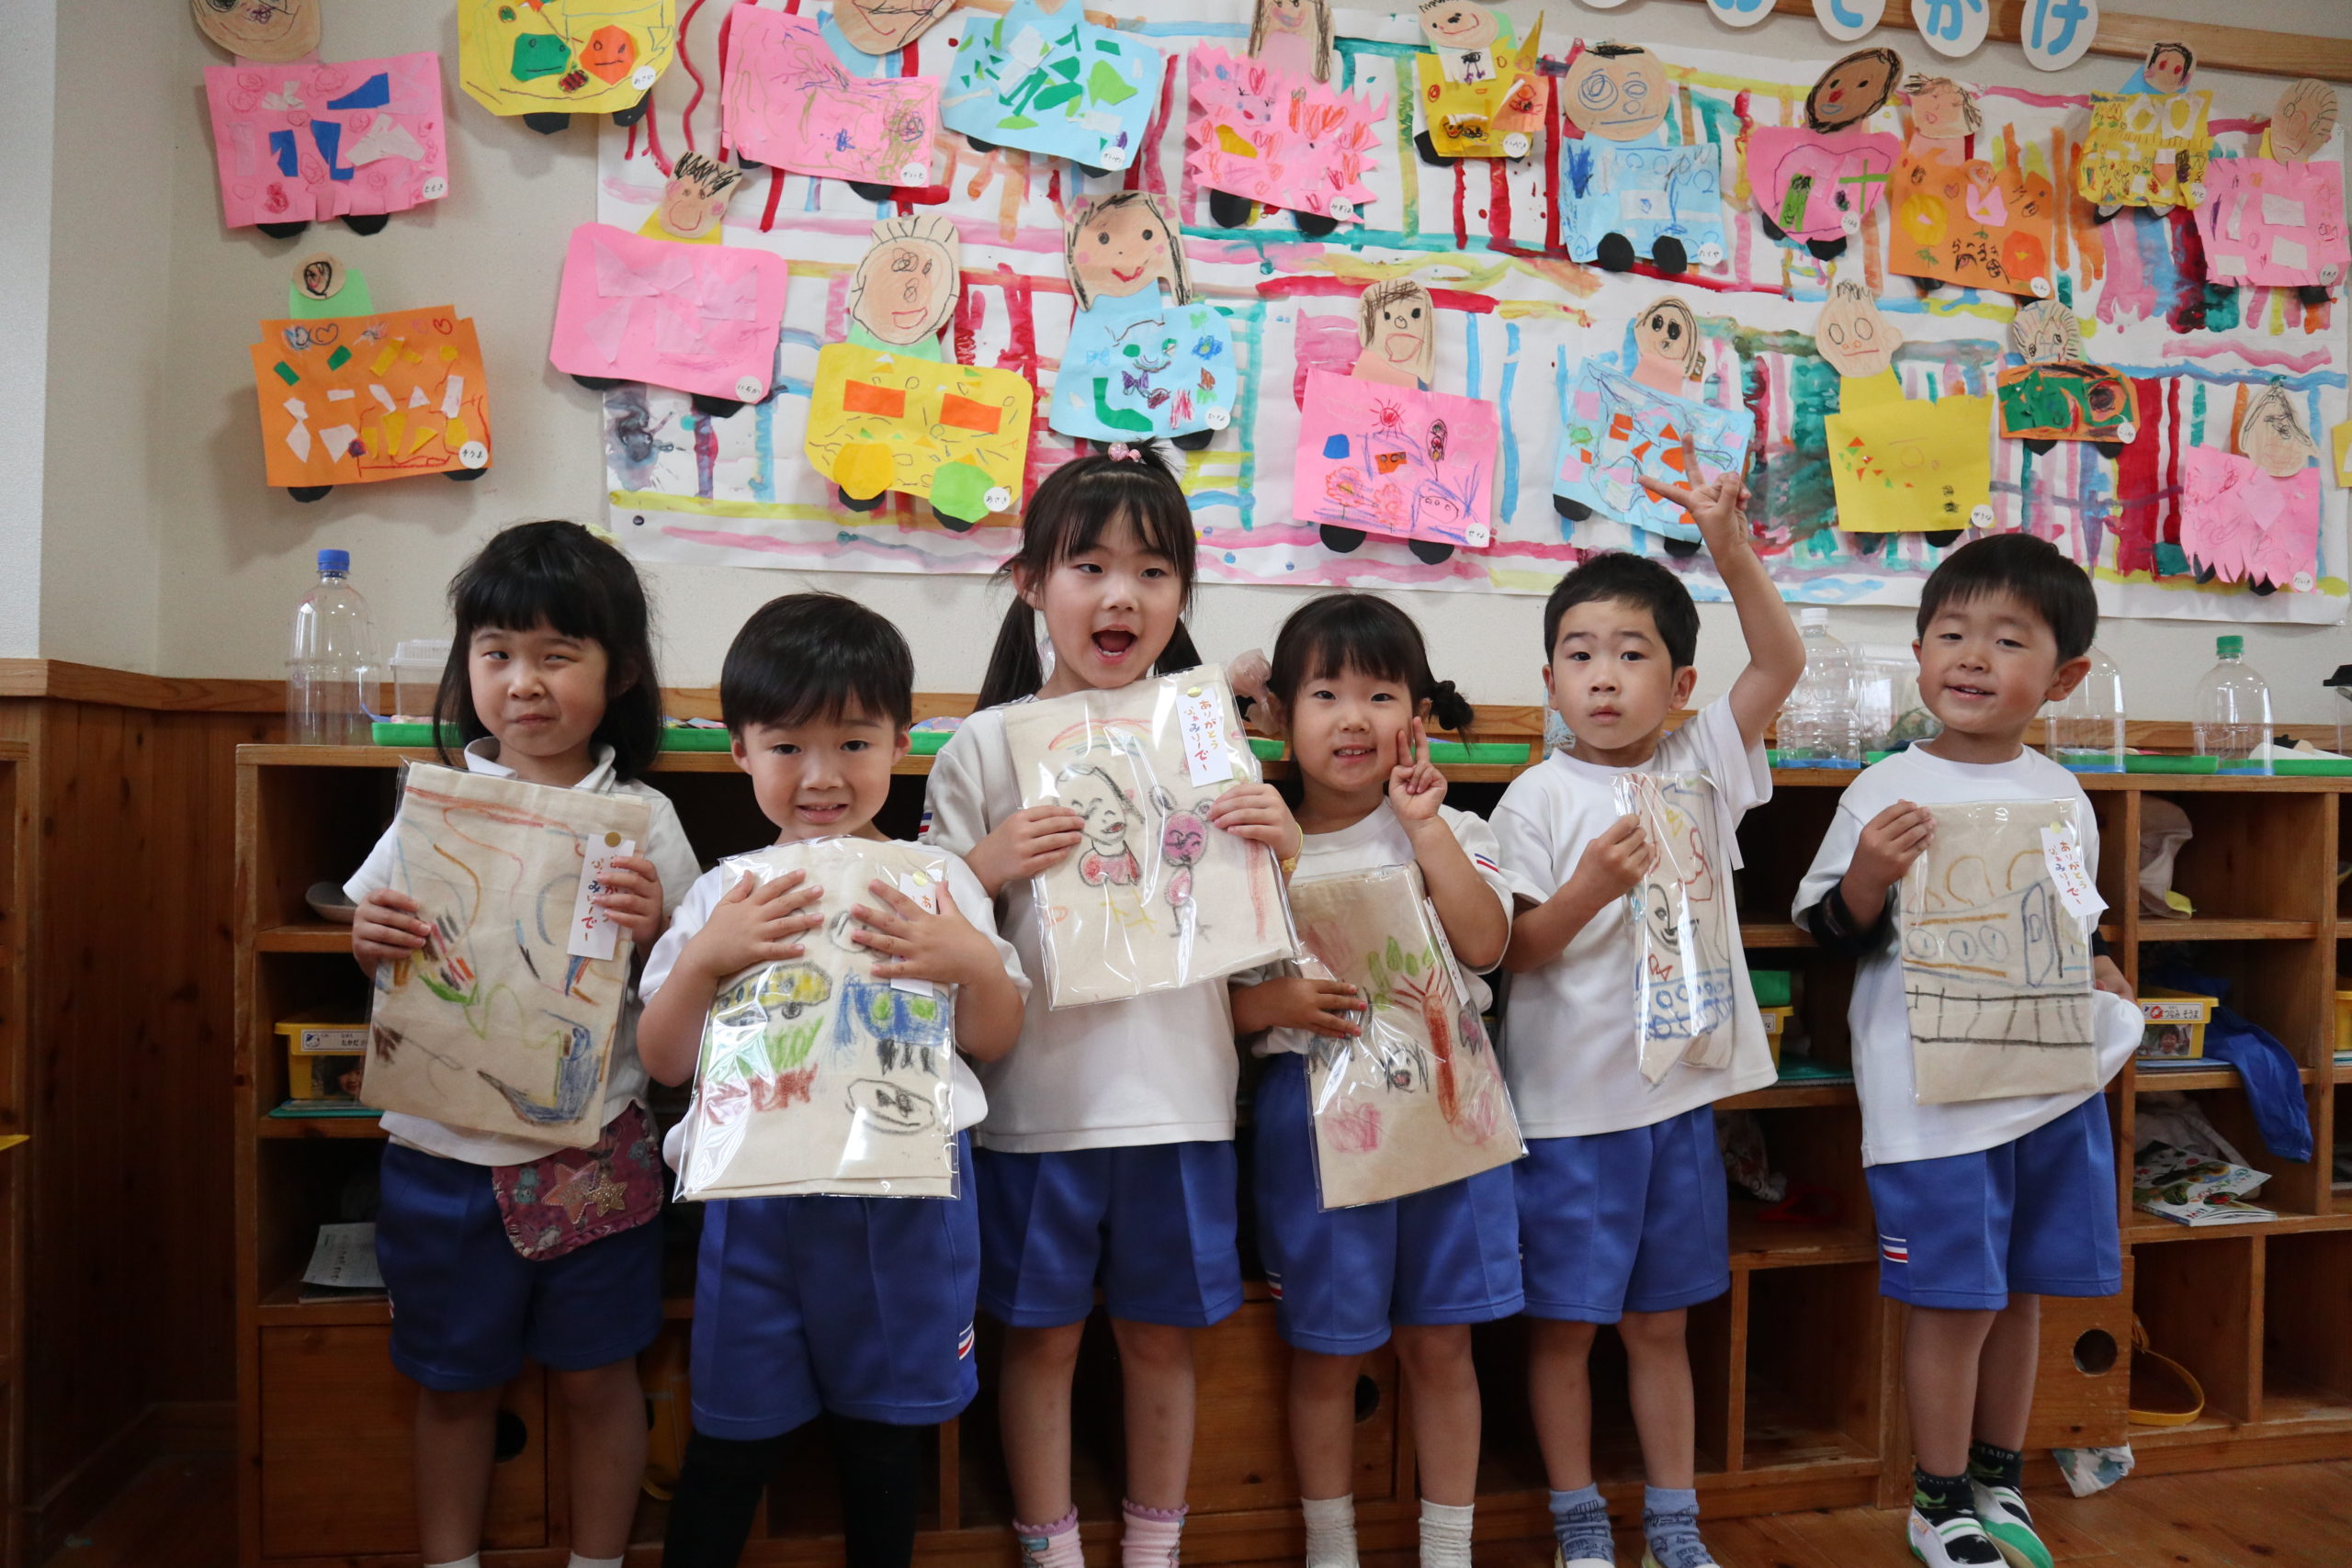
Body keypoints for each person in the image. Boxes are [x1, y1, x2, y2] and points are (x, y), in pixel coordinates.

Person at [922, 445, 1301, 1568]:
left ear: (1182, 593)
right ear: (1031, 582)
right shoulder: (983, 745)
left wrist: (1282, 849)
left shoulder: (1207, 735)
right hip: (1034, 1110)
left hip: (1179, 1101)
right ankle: (1050, 1548)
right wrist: (984, 866)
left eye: (1152, 571)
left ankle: (1152, 1549)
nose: (1120, 595)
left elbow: (1250, 930)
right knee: (1036, 1343)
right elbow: (931, 930)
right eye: (1088, 566)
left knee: (1160, 1340)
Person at [638, 593, 1027, 1568]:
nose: (822, 776)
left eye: (853, 742)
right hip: (756, 1208)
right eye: (787, 746)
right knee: (731, 1439)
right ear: (739, 749)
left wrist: (971, 964)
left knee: (885, 1443)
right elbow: (665, 1061)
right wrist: (703, 959)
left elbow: (994, 1039)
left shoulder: (940, 881)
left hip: (908, 1207)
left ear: (902, 739)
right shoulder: (722, 891)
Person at [346, 521, 700, 1568]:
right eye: (497, 653)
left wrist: (656, 930)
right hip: (442, 1156)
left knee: (599, 1379)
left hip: (592, 1157)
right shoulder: (437, 803)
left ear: (618, 671)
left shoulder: (642, 818)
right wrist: (371, 940)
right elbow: (381, 942)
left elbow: (691, 979)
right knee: (452, 1386)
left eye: (557, 655)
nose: (523, 683)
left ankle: (597, 1560)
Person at [1792, 535, 2140, 1568]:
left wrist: (2100, 964)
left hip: (2046, 1091)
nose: (1974, 657)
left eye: (2008, 639)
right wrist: (1868, 871)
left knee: (2023, 1289)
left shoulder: (2064, 792)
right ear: (1918, 654)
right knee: (1954, 1302)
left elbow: (2072, 919)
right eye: (1952, 634)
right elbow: (1827, 931)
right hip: (1932, 1105)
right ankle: (1936, 1498)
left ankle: (1999, 1477)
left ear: (2064, 677)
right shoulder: (1883, 787)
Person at [1492, 453, 1804, 1568]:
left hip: (1675, 1107)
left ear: (1679, 686)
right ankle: (1578, 1522)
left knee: (1660, 1324)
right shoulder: (1533, 797)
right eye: (1580, 655)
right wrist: (1589, 888)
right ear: (1549, 679)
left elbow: (1780, 659)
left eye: (1632, 655)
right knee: (1564, 1332)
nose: (1603, 677)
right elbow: (1513, 951)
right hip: (1569, 1117)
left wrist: (1728, 546)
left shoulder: (1699, 762)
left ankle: (1675, 1522)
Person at [1233, 593, 1520, 1568]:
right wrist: (1272, 1004)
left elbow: (1486, 943)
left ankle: (1447, 1548)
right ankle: (1331, 1550)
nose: (1353, 718)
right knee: (1325, 1347)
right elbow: (1214, 1008)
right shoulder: (1253, 843)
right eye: (1325, 693)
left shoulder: (1453, 827)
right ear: (1280, 716)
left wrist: (1424, 830)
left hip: (1447, 1105)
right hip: (1314, 1118)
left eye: (1380, 694)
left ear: (1418, 718)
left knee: (1442, 1345)